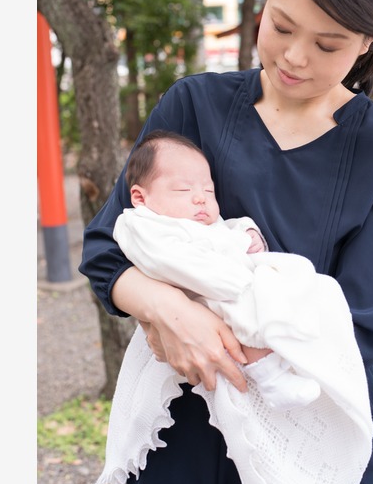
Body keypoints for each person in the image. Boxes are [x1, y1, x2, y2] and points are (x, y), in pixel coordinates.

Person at [80, 0, 373, 484]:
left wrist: (245, 349)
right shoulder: (196, 105)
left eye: (328, 44)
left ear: (365, 45)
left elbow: (363, 322)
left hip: (307, 408)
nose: (295, 57)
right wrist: (173, 311)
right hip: (189, 415)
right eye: (282, 26)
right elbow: (107, 246)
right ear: (260, 9)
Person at [116, 128, 348, 411]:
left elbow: (225, 228)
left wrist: (245, 231)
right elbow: (173, 262)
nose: (200, 198)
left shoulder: (193, 220)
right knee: (242, 314)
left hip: (231, 278)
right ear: (141, 198)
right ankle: (271, 377)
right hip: (204, 295)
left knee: (294, 277)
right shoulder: (144, 226)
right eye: (183, 190)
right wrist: (235, 282)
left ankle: (301, 345)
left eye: (208, 190)